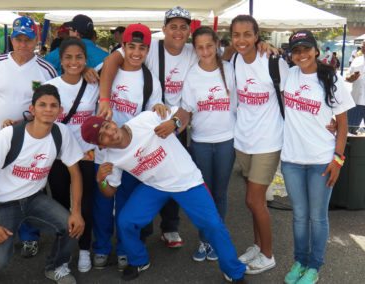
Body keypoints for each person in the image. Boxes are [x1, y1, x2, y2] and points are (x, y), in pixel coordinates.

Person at [80, 110, 247, 283]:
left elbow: (183, 114)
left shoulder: (145, 119)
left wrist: (174, 122)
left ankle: (234, 272)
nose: (109, 132)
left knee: (213, 224)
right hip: (155, 186)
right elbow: (109, 192)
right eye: (102, 136)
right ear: (101, 146)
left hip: (186, 180)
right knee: (126, 221)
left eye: (107, 126)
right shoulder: (110, 158)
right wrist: (101, 180)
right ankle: (139, 260)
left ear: (111, 121)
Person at [98, 6, 197, 249]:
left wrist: (260, 46)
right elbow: (115, 58)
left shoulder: (194, 51)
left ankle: (169, 226)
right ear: (163, 29)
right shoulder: (151, 47)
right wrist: (104, 98)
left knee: (172, 174)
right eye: (172, 26)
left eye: (183, 27)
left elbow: (218, 59)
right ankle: (138, 230)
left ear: (189, 31)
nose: (178, 31)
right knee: (142, 178)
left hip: (177, 120)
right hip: (143, 128)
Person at [0, 84, 85, 284]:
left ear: (60, 111)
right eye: (42, 105)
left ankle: (56, 267)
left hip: (33, 198)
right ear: (32, 109)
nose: (48, 109)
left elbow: (75, 173)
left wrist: (76, 211)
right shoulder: (9, 135)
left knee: (71, 225)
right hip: (1, 202)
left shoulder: (61, 132)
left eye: (53, 105)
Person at [0, 15, 57, 257]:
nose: (23, 44)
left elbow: (51, 106)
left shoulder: (45, 69)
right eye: (18, 39)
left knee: (30, 188)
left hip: (30, 145)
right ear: (12, 39)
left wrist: (24, 123)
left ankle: (30, 236)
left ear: (36, 41)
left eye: (28, 40)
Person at [281, 30, 354, 284]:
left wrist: (338, 159)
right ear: (291, 55)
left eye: (305, 49)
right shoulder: (288, 74)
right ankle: (300, 261)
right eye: (296, 51)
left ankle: (314, 266)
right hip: (291, 159)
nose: (301, 55)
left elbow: (343, 124)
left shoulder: (331, 78)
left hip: (322, 160)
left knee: (317, 216)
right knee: (299, 215)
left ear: (316, 50)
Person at [92, 23, 166, 271]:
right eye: (131, 46)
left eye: (142, 48)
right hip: (104, 150)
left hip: (132, 154)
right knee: (103, 203)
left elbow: (154, 114)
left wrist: (159, 110)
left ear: (147, 50)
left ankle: (124, 247)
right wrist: (84, 73)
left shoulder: (150, 80)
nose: (136, 52)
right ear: (122, 46)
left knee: (126, 203)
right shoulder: (107, 67)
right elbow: (89, 76)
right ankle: (101, 246)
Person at [229, 15, 289, 275]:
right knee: (254, 201)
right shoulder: (232, 59)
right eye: (236, 35)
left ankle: (268, 254)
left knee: (254, 200)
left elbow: (292, 96)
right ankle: (257, 245)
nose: (241, 40)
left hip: (268, 140)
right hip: (243, 140)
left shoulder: (274, 62)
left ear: (257, 36)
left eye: (247, 34)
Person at [181, 26, 237, 262]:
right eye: (200, 47)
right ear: (195, 49)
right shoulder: (192, 74)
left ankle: (217, 240)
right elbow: (187, 110)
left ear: (217, 45)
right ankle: (204, 240)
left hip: (227, 141)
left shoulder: (230, 69)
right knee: (204, 195)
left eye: (209, 46)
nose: (205, 51)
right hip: (201, 143)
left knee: (220, 193)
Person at [44, 37, 99, 273]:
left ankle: (85, 249)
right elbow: (38, 117)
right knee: (60, 205)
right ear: (61, 60)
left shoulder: (94, 83)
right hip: (57, 156)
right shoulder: (51, 86)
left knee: (85, 204)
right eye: (68, 57)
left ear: (86, 60)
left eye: (79, 57)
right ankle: (63, 253)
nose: (73, 61)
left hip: (86, 154)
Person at [346, 40, 365, 134]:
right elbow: (347, 77)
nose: (363, 46)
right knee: (350, 131)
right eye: (363, 45)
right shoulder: (357, 60)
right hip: (355, 102)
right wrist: (351, 78)